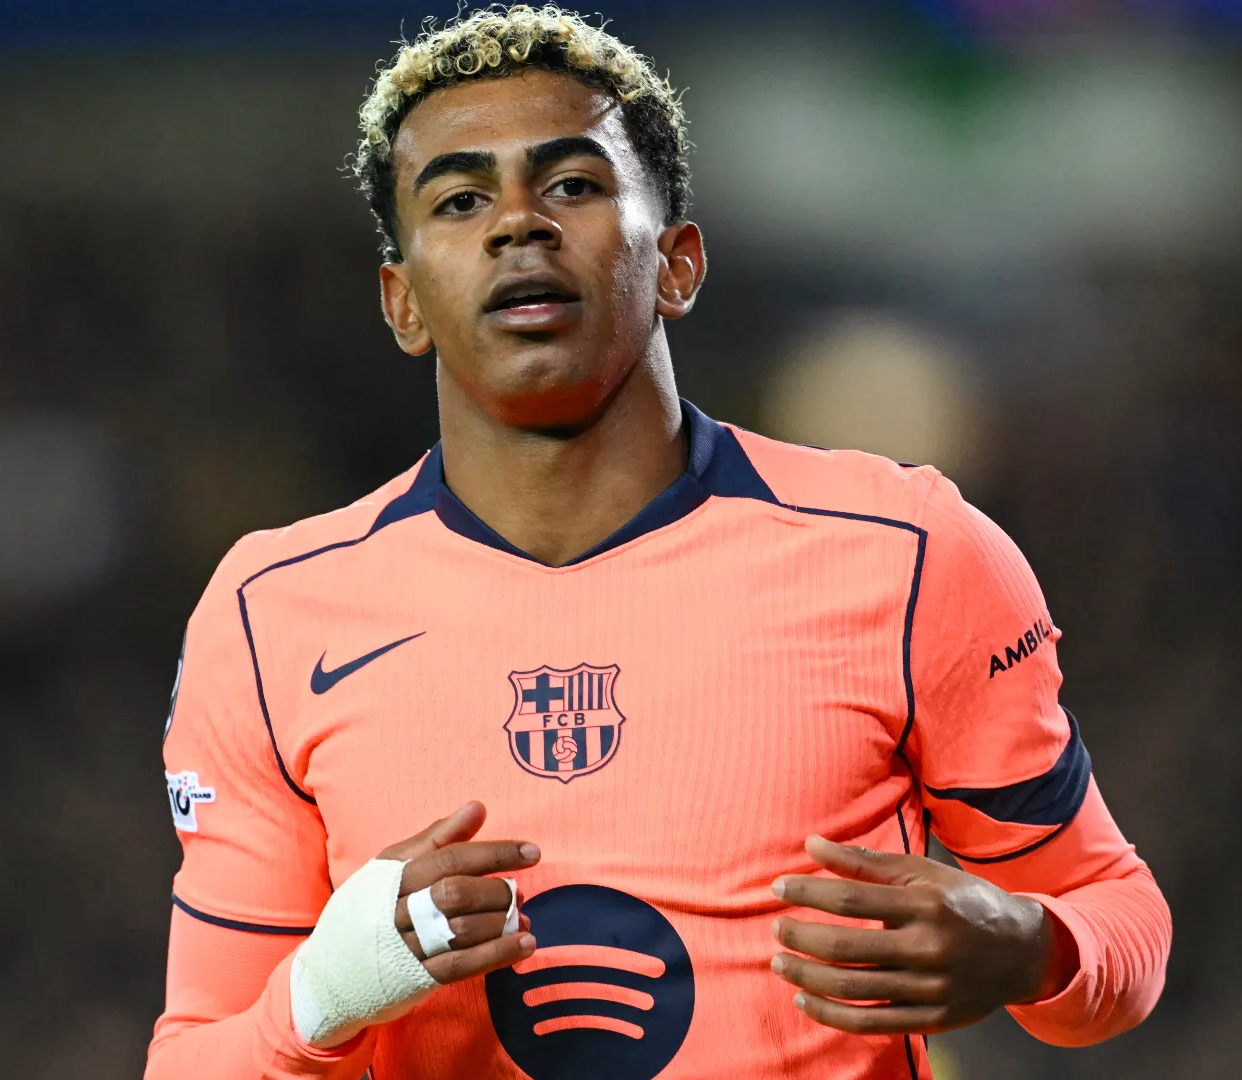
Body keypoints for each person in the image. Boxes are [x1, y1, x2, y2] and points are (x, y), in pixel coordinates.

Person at [146, 7, 1170, 1078]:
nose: (518, 224)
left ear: (678, 265)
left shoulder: (908, 553)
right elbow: (194, 1055)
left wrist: (1035, 949)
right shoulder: (270, 616)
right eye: (460, 199)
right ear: (402, 304)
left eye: (572, 184)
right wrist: (317, 999)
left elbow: (1117, 911)